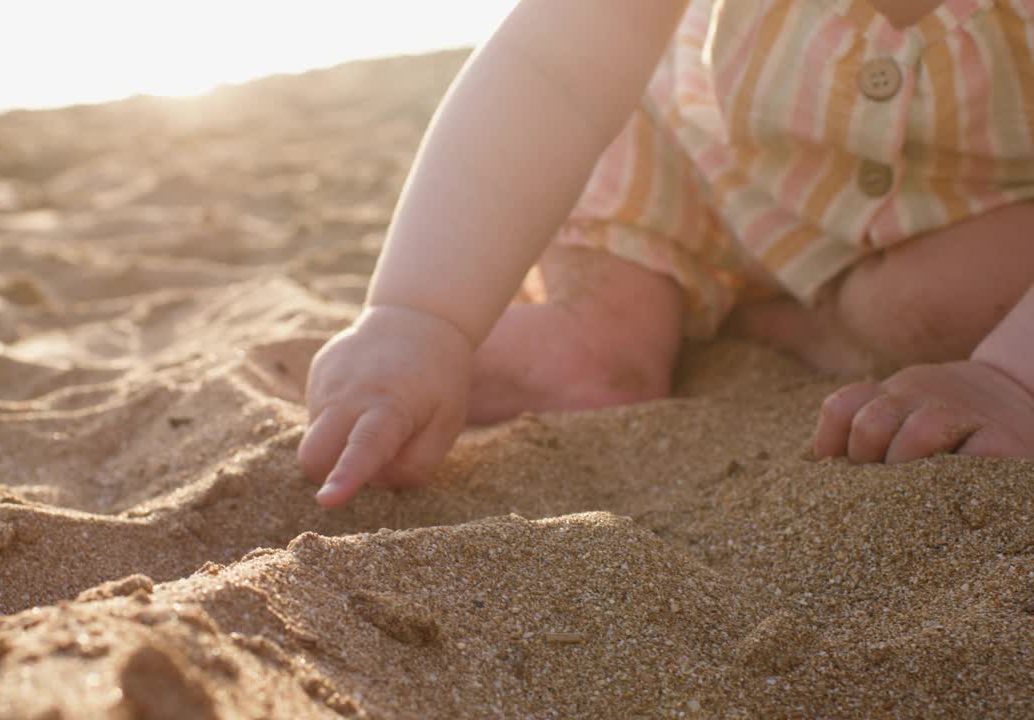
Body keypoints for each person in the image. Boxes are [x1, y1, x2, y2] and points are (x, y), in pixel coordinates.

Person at [298, 0, 1034, 508]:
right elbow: (553, 72)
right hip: (708, 163)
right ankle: (619, 323)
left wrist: (1009, 380)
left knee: (926, 315)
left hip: (972, 203)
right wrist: (420, 315)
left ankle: (800, 320)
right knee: (594, 350)